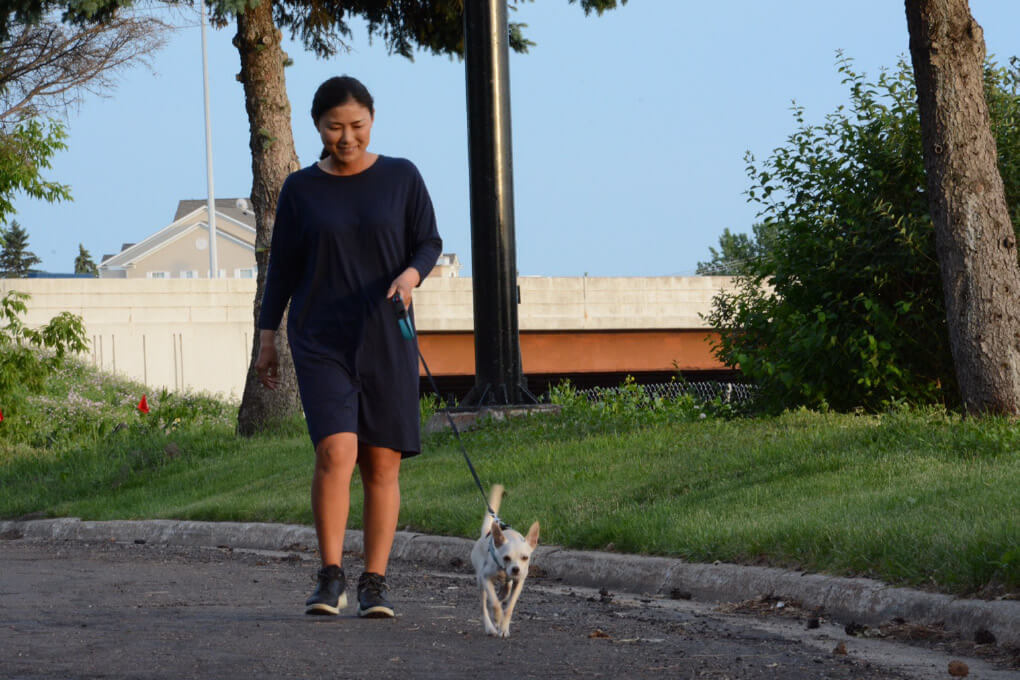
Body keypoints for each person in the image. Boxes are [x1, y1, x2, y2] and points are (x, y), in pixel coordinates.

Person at [254, 75, 442, 619]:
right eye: (335, 127)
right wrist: (267, 338)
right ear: (318, 126)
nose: (347, 136)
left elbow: (429, 241)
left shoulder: (401, 177)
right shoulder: (300, 189)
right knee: (337, 451)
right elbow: (283, 268)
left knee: (383, 462)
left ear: (372, 120)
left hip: (386, 334)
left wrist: (410, 277)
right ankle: (330, 576)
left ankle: (375, 583)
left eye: (356, 125)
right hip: (320, 338)